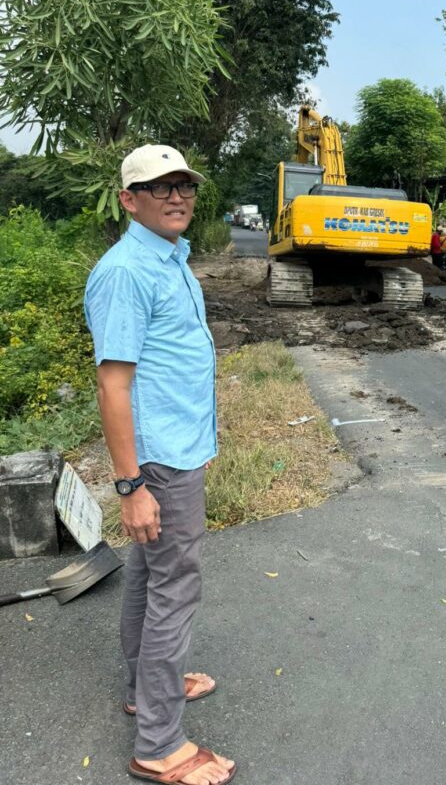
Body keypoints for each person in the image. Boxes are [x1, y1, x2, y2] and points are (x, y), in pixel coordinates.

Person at [84, 145, 237, 785]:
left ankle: (145, 690)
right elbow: (113, 385)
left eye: (184, 186)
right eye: (159, 187)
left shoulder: (170, 258)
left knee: (148, 579)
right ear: (129, 200)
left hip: (178, 447)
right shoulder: (127, 272)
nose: (177, 197)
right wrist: (131, 487)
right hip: (160, 462)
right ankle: (160, 742)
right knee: (175, 591)